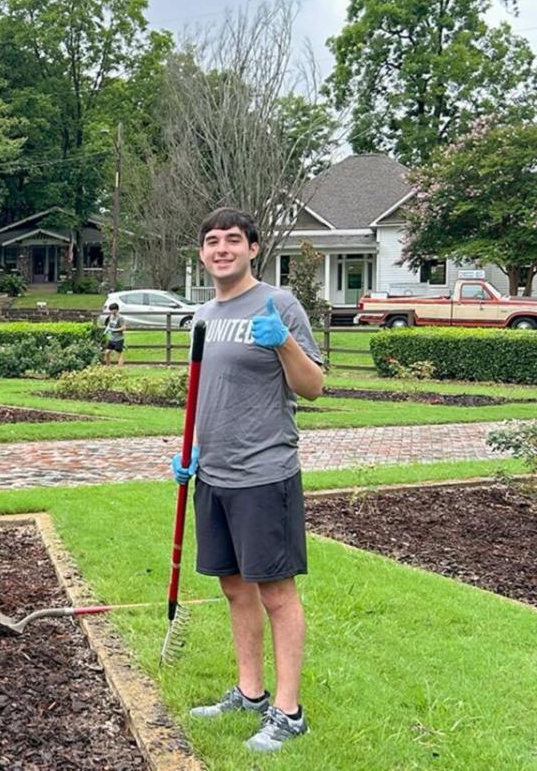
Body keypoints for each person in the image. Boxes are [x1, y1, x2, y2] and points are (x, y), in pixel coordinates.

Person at [171, 207, 324, 753]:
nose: (222, 249)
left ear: (253, 248)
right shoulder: (203, 314)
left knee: (276, 591)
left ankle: (289, 711)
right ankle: (250, 692)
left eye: (233, 240)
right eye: (212, 241)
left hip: (265, 472)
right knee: (234, 587)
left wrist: (283, 341)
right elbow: (204, 394)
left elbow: (313, 387)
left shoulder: (279, 303)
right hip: (213, 472)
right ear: (202, 254)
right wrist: (188, 451)